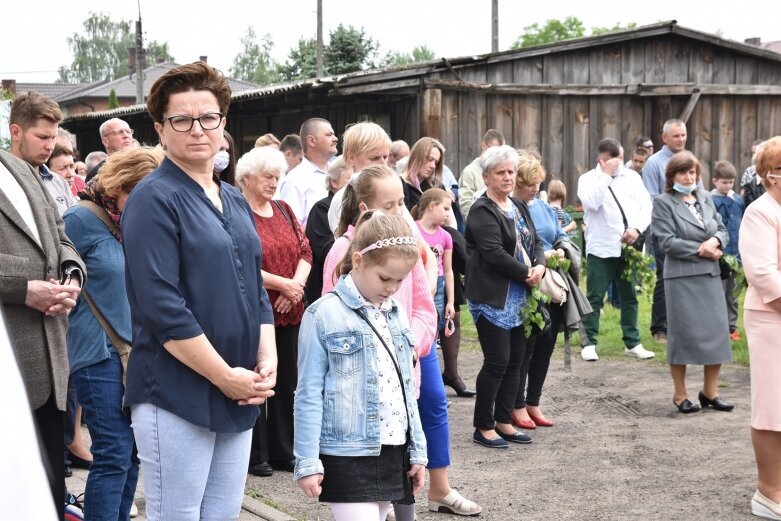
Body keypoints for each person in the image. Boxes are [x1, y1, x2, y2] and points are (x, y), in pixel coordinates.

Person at [120, 61, 278, 519]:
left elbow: (256, 287)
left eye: (208, 117)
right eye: (181, 120)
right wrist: (224, 375)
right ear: (160, 129)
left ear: (223, 124)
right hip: (176, 390)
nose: (197, 129)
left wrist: (266, 358)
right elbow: (162, 306)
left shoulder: (232, 197)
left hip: (239, 385)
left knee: (222, 515)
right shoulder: (154, 198)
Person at [323, 165, 479, 518]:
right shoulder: (342, 254)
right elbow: (330, 328)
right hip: (361, 393)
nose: (400, 214)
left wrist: (409, 344)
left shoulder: (408, 246)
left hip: (404, 377)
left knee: (406, 470)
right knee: (370, 480)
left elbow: (426, 309)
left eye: (400, 204)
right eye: (390, 205)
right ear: (365, 210)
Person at [294, 213, 427, 521]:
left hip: (394, 449)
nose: (392, 288)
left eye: (400, 280)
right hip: (347, 452)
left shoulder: (395, 314)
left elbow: (406, 389)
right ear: (357, 261)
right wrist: (307, 460)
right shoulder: (323, 314)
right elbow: (309, 393)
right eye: (385, 278)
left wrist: (417, 450)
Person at [63, 146, 163, 519]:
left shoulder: (133, 222)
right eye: (140, 192)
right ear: (120, 184)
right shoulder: (78, 218)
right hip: (95, 351)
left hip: (134, 351)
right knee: (114, 451)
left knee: (133, 452)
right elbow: (53, 276)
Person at [1, 144, 85, 510]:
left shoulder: (19, 168)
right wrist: (23, 289)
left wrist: (71, 275)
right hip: (10, 358)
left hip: (49, 363)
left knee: (46, 492)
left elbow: (59, 232)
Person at [236, 145, 313, 477]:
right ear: (247, 177)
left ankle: (284, 450)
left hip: (290, 306)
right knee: (259, 377)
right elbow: (238, 261)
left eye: (278, 176)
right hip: (254, 306)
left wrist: (294, 287)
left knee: (287, 381)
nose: (274, 182)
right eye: (268, 176)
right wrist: (283, 285)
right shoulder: (236, 210)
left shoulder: (283, 209)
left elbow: (305, 251)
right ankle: (257, 454)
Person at [466, 144, 545, 449]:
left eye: (511, 172)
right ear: (486, 177)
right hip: (492, 297)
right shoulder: (481, 210)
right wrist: (527, 273)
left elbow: (536, 240)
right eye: (501, 172)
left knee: (515, 361)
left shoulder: (518, 206)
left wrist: (539, 265)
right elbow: (493, 253)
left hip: (520, 295)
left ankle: (504, 421)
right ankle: (483, 426)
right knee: (497, 361)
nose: (508, 177)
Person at [650, 151, 733, 414]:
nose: (689, 176)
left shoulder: (705, 197)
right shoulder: (663, 202)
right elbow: (666, 241)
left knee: (716, 335)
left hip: (709, 277)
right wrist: (702, 249)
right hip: (682, 278)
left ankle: (710, 392)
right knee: (683, 337)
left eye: (693, 172)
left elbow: (722, 229)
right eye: (683, 172)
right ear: (672, 176)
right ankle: (680, 394)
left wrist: (717, 241)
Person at [577, 137, 654, 362]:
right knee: (594, 296)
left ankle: (633, 342)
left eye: (621, 158)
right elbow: (591, 203)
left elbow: (645, 205)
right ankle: (588, 342)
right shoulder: (588, 179)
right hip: (601, 247)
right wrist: (605, 176)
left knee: (629, 294)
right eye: (614, 160)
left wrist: (637, 229)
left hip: (629, 245)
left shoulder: (632, 177)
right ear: (601, 160)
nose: (620, 163)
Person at [739, 136, 781, 520]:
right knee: (773, 405)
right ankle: (768, 493)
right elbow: (765, 276)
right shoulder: (760, 212)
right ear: (772, 176)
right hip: (772, 320)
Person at [510, 154, 567, 429]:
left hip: (552, 281)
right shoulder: (510, 208)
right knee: (525, 348)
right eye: (531, 183)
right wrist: (540, 260)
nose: (536, 187)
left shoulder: (543, 207)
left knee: (546, 345)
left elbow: (560, 234)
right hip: (527, 280)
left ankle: (534, 401)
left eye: (538, 182)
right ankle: (516, 404)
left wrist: (562, 248)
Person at [642, 119, 689, 344]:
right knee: (665, 276)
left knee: (686, 277)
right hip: (664, 229)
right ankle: (659, 328)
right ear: (665, 138)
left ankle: (681, 325)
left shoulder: (688, 160)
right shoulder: (654, 163)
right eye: (676, 136)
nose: (680, 139)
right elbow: (650, 198)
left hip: (688, 230)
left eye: (683, 135)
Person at [9, 92, 76, 215]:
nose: (50, 146)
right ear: (16, 132)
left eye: (53, 137)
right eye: (42, 137)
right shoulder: (4, 181)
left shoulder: (60, 184)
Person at [305, 157, 352, 305]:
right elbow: (326, 250)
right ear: (334, 182)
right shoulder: (321, 209)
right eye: (350, 179)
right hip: (327, 289)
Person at [413, 188, 456, 351]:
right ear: (431, 206)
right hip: (418, 282)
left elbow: (448, 270)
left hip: (438, 284)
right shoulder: (413, 230)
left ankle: (429, 353)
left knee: (435, 322)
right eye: (445, 208)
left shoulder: (446, 237)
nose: (448, 214)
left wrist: (450, 301)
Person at [277, 118, 338, 226]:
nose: (335, 139)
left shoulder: (339, 172)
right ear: (311, 141)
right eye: (329, 135)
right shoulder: (294, 181)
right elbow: (292, 229)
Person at [711, 160, 745, 341]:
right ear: (714, 180)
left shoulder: (738, 200)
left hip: (736, 255)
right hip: (718, 256)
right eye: (724, 182)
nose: (728, 186)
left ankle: (732, 327)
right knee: (718, 293)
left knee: (733, 294)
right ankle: (717, 327)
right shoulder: (710, 200)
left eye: (731, 182)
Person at [458, 129, 505, 219]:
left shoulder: (504, 171)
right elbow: (466, 207)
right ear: (484, 145)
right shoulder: (470, 172)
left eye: (501, 152)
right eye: (494, 150)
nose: (498, 155)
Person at [401, 137, 447, 211]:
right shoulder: (399, 185)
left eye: (436, 162)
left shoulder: (437, 186)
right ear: (416, 156)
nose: (433, 166)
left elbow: (450, 218)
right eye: (429, 159)